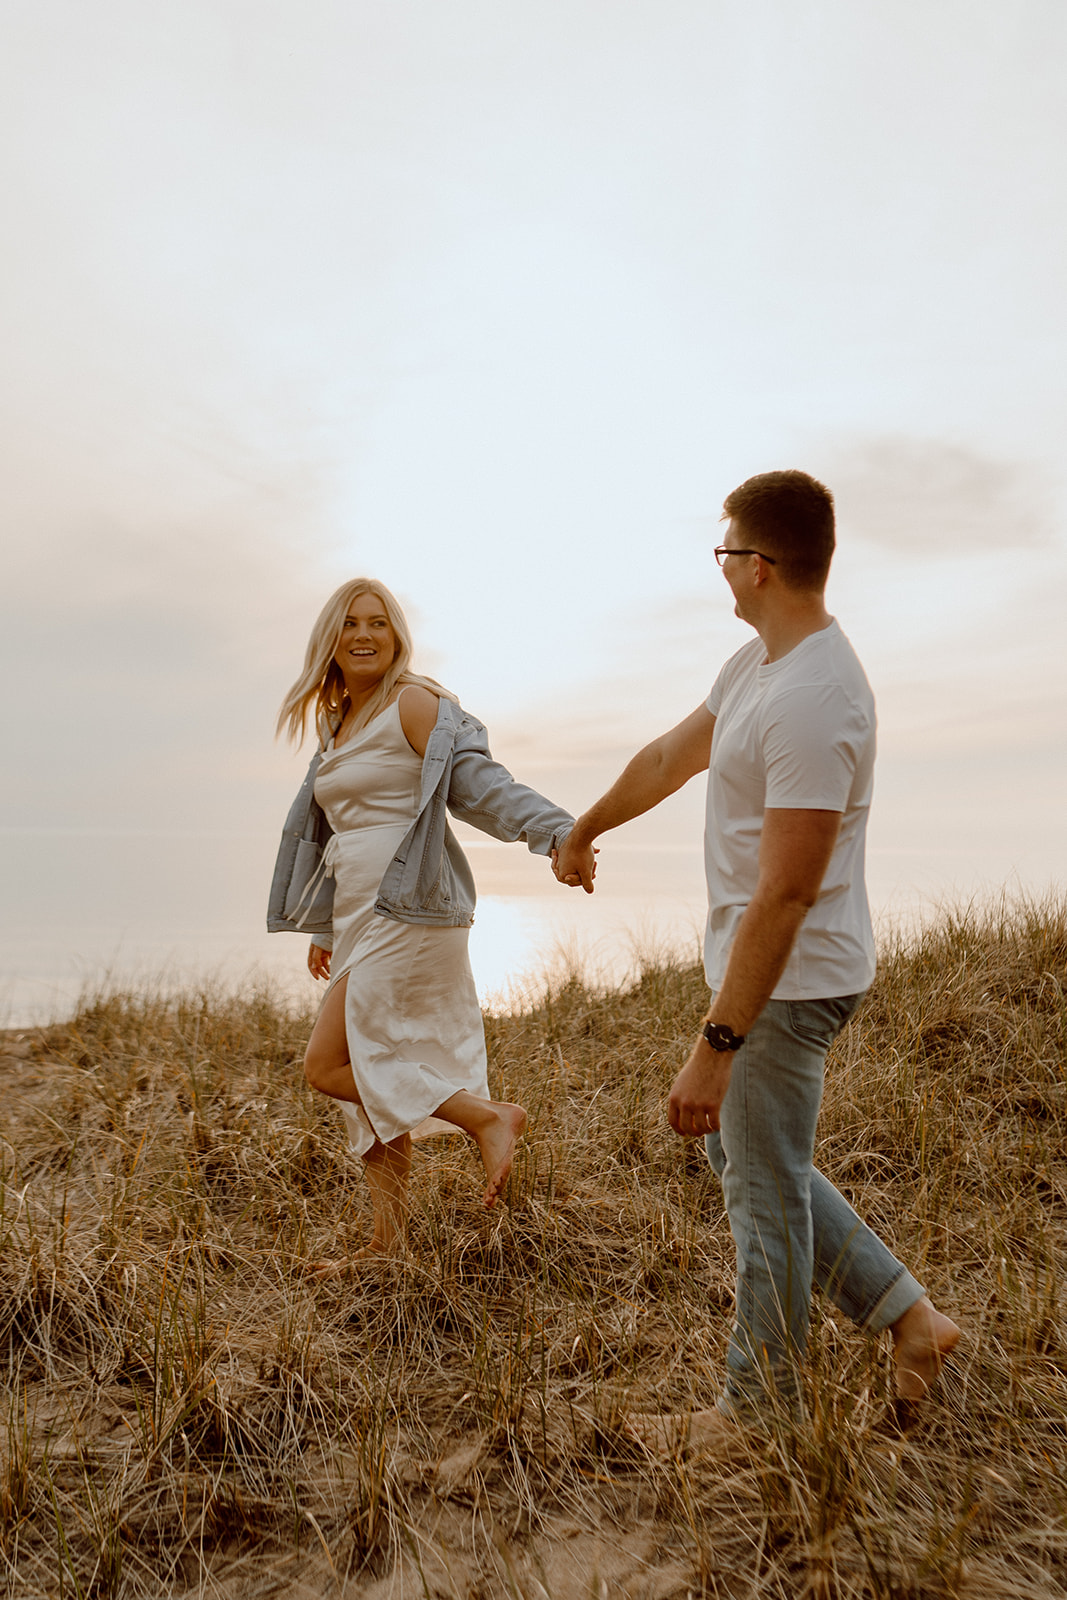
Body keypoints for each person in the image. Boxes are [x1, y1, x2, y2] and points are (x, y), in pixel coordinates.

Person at [553, 470, 959, 1429]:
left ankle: (758, 1412)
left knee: (761, 1192)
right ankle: (911, 1320)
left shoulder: (816, 697)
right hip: (769, 972)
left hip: (789, 981)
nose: (719, 566)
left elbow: (787, 890)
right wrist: (586, 826)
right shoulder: (758, 667)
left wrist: (716, 1044)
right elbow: (668, 756)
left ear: (760, 565)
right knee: (749, 1162)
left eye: (724, 549)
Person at [269, 578, 587, 1269]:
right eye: (350, 623)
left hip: (409, 907)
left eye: (378, 622)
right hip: (360, 915)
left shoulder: (411, 703)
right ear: (330, 640)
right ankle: (389, 1245)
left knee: (328, 1065)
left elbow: (477, 784)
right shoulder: (339, 726)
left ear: (396, 636)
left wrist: (557, 832)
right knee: (366, 1071)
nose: (364, 634)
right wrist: (326, 928)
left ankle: (484, 1116)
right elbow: (340, 834)